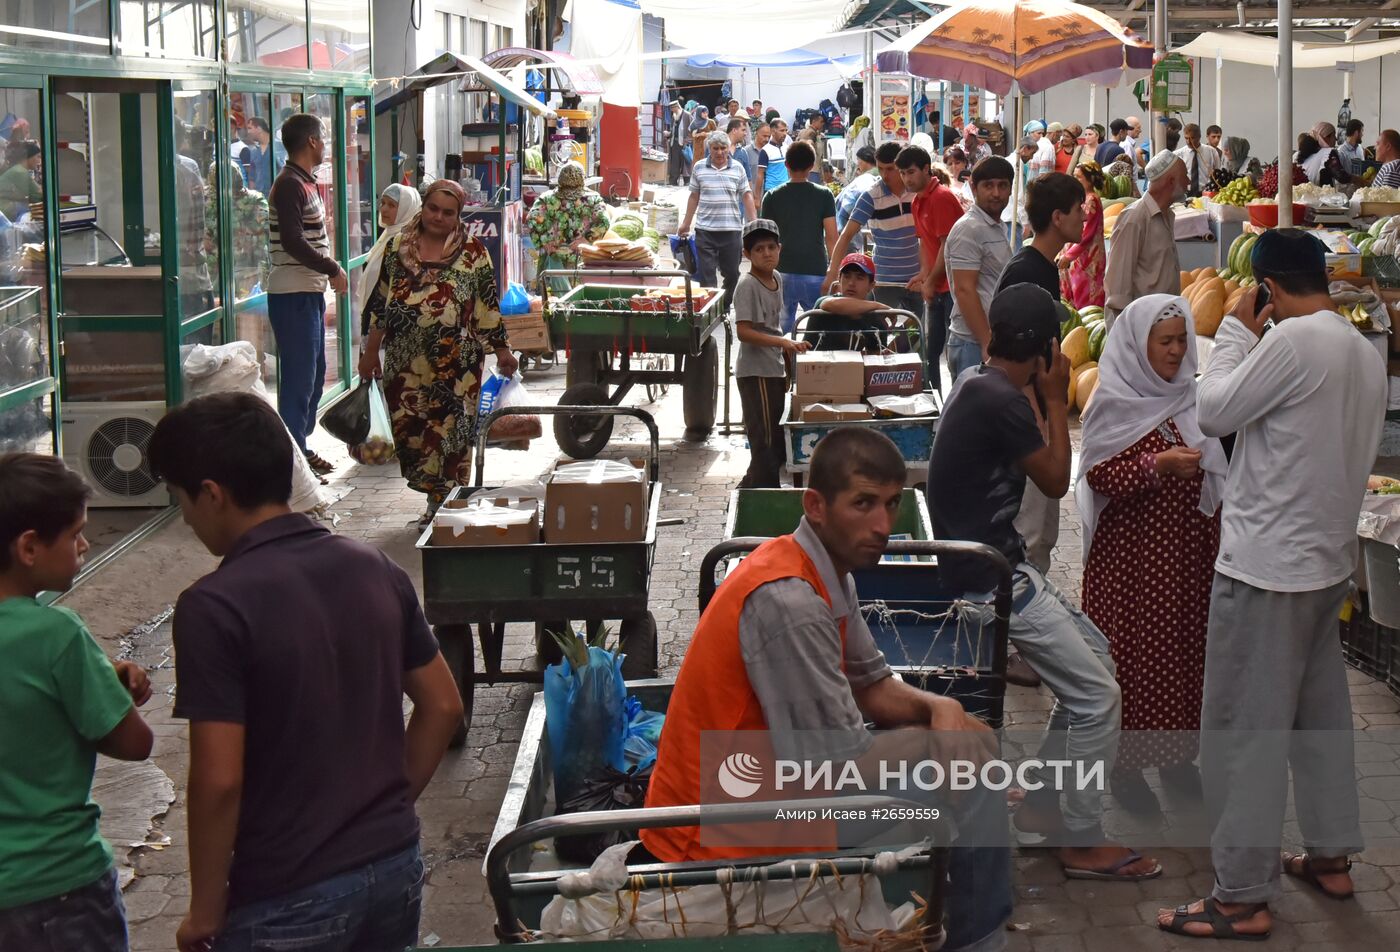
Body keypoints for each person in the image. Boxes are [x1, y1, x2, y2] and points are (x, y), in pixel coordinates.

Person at [643, 426, 1013, 952]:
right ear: (815, 505)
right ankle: (978, 942)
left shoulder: (827, 570)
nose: (883, 525)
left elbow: (873, 685)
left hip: (766, 787)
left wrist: (943, 708)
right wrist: (950, 743)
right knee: (972, 774)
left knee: (965, 754)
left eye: (890, 504)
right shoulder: (790, 602)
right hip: (715, 827)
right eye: (863, 504)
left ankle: (964, 923)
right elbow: (837, 763)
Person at [147, 393, 462, 952]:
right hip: (394, 869)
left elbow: (219, 781)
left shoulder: (214, 606)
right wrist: (386, 812)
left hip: (285, 894)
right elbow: (442, 707)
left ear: (212, 495)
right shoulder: (374, 567)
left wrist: (203, 908)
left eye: (181, 500)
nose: (188, 519)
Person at [1157, 229, 1386, 941]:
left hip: (1266, 571)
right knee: (1320, 722)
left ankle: (1240, 896)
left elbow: (1215, 412)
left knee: (1243, 734)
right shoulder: (1362, 348)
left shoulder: (1290, 341)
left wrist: (1231, 330)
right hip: (1323, 569)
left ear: (1269, 289)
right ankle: (1331, 855)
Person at [929, 283, 1162, 884]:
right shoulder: (1001, 399)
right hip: (990, 581)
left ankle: (1039, 799)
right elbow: (1058, 479)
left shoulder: (979, 383)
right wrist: (1057, 399)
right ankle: (1080, 839)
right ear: (1045, 351)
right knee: (1099, 697)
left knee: (1098, 664)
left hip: (999, 567)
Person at [1076, 294, 1226, 815]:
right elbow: (1097, 475)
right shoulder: (1113, 400)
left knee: (1185, 659)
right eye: (1165, 341)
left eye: (1182, 340)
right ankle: (1125, 769)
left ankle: (1178, 758)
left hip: (1185, 563)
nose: (1176, 350)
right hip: (1132, 568)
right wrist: (1155, 466)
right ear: (1139, 345)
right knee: (1135, 666)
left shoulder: (1191, 398)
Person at [0, 454, 153, 951]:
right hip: (59, 887)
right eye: (75, 534)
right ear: (28, 547)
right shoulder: (57, 634)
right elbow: (134, 743)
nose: (85, 545)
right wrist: (111, 690)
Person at [358, 179, 516, 524]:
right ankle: (434, 497)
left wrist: (502, 351)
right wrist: (370, 353)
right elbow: (380, 305)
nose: (438, 217)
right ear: (423, 206)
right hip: (405, 365)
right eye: (433, 208)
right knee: (412, 435)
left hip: (456, 366)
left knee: (451, 436)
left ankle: (442, 505)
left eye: (448, 212)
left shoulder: (473, 252)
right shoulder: (397, 247)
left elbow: (487, 305)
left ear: (458, 216)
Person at [267, 113, 348, 476]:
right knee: (300, 378)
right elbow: (292, 240)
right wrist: (332, 268)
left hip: (309, 291)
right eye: (324, 138)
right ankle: (293, 456)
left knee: (315, 375)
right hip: (292, 293)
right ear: (312, 142)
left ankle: (300, 443)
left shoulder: (304, 181)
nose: (326, 144)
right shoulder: (288, 184)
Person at [733, 220, 808, 488]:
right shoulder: (747, 284)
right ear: (747, 254)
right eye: (759, 249)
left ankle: (750, 488)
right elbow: (744, 332)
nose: (766, 253)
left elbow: (774, 325)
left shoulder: (776, 278)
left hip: (774, 368)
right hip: (755, 373)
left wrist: (785, 347)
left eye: (771, 247)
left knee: (775, 437)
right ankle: (763, 492)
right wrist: (782, 343)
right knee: (764, 441)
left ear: (780, 248)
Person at [823, 142, 920, 318]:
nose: (885, 175)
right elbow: (846, 235)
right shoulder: (871, 195)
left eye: (890, 169)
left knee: (917, 336)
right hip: (885, 280)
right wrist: (832, 272)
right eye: (881, 169)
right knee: (882, 332)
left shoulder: (917, 191)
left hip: (918, 277)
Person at [941, 156, 1014, 381]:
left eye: (1002, 186)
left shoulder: (995, 225)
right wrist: (986, 342)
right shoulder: (970, 229)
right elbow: (965, 290)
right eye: (988, 185)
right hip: (971, 344)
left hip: (986, 341)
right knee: (971, 415)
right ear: (974, 187)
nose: (996, 193)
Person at [900, 145, 963, 391]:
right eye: (903, 173)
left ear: (927, 169)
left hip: (955, 288)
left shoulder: (942, 197)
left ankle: (957, 406)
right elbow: (926, 244)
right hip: (938, 287)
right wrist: (924, 275)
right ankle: (934, 404)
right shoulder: (917, 201)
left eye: (911, 172)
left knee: (956, 353)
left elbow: (948, 248)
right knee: (930, 351)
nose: (907, 178)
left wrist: (930, 281)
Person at [1103, 151, 1185, 327]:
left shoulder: (1166, 215)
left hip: (1160, 325)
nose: (1189, 182)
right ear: (1171, 181)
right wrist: (1124, 337)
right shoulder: (1134, 218)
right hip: (1141, 327)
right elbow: (1117, 288)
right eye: (1185, 177)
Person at [761, 141, 836, 332]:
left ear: (786, 164)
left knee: (782, 331)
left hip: (781, 271)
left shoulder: (771, 196)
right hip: (816, 270)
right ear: (812, 166)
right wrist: (833, 270)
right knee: (818, 329)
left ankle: (786, 362)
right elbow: (831, 237)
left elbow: (765, 240)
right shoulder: (824, 195)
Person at [679, 131, 755, 306]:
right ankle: (710, 309)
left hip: (732, 231)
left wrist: (753, 223)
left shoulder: (738, 168)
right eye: (715, 148)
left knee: (732, 274)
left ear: (729, 148)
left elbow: (746, 195)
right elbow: (693, 197)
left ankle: (724, 305)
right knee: (706, 275)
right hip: (705, 231)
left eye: (723, 148)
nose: (720, 152)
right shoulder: (699, 167)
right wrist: (685, 223)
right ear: (709, 149)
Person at [525, 160, 610, 292]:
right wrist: (586, 239)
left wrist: (545, 242)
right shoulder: (593, 199)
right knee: (578, 301)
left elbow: (532, 219)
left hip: (551, 259)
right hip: (581, 259)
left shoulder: (547, 198)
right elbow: (604, 221)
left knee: (550, 302)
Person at [354, 183, 420, 336]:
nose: (383, 209)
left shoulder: (406, 243)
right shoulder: (387, 236)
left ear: (406, 209)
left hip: (392, 326)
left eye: (392, 205)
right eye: (383, 203)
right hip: (375, 319)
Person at [802, 253, 887, 353]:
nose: (851, 283)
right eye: (847, 276)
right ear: (839, 280)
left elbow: (876, 356)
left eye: (859, 278)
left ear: (871, 285)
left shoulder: (875, 318)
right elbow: (830, 304)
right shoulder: (825, 303)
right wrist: (878, 305)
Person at [1059, 161, 1107, 309]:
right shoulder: (1082, 198)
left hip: (1088, 257)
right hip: (1080, 254)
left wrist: (1069, 255)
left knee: (1085, 298)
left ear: (1090, 179)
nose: (1075, 180)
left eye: (1079, 177)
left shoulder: (1092, 200)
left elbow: (1087, 233)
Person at [835, 145, 878, 252]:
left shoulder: (863, 181)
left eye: (859, 160)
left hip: (856, 234)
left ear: (864, 161)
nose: (858, 164)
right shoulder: (882, 178)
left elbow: (846, 207)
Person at [1176, 124, 1222, 197]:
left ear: (1199, 137)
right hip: (1185, 193)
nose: (1188, 141)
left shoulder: (1211, 152)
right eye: (1186, 138)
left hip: (1206, 193)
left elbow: (1218, 173)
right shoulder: (1178, 154)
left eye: (1192, 138)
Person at [0, 139, 41, 213]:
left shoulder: (17, 169)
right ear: (30, 156)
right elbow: (39, 195)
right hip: (5, 209)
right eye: (38, 157)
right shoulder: (19, 172)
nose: (39, 161)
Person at [239, 117, 274, 195]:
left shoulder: (277, 147)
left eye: (250, 128)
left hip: (275, 194)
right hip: (260, 195)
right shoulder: (254, 151)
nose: (248, 132)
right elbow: (252, 176)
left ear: (259, 128)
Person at [755, 118, 790, 194]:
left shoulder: (787, 148)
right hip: (771, 191)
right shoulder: (765, 150)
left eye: (786, 130)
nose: (785, 133)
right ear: (773, 132)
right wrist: (757, 197)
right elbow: (760, 175)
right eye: (782, 130)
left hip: (786, 190)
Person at [666, 101, 691, 186]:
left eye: (673, 108)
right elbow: (674, 129)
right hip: (675, 142)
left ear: (677, 107)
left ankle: (687, 180)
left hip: (684, 143)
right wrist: (669, 133)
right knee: (675, 163)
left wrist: (687, 140)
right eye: (671, 108)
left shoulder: (687, 115)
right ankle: (673, 181)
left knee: (685, 162)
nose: (672, 110)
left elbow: (692, 130)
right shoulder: (674, 116)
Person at [742, 122, 770, 190]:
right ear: (756, 133)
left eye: (769, 136)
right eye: (764, 136)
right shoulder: (745, 151)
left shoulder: (771, 152)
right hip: (751, 195)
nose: (767, 139)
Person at [726, 117, 753, 185]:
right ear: (734, 130)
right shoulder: (716, 147)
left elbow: (748, 179)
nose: (745, 133)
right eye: (743, 130)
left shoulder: (743, 152)